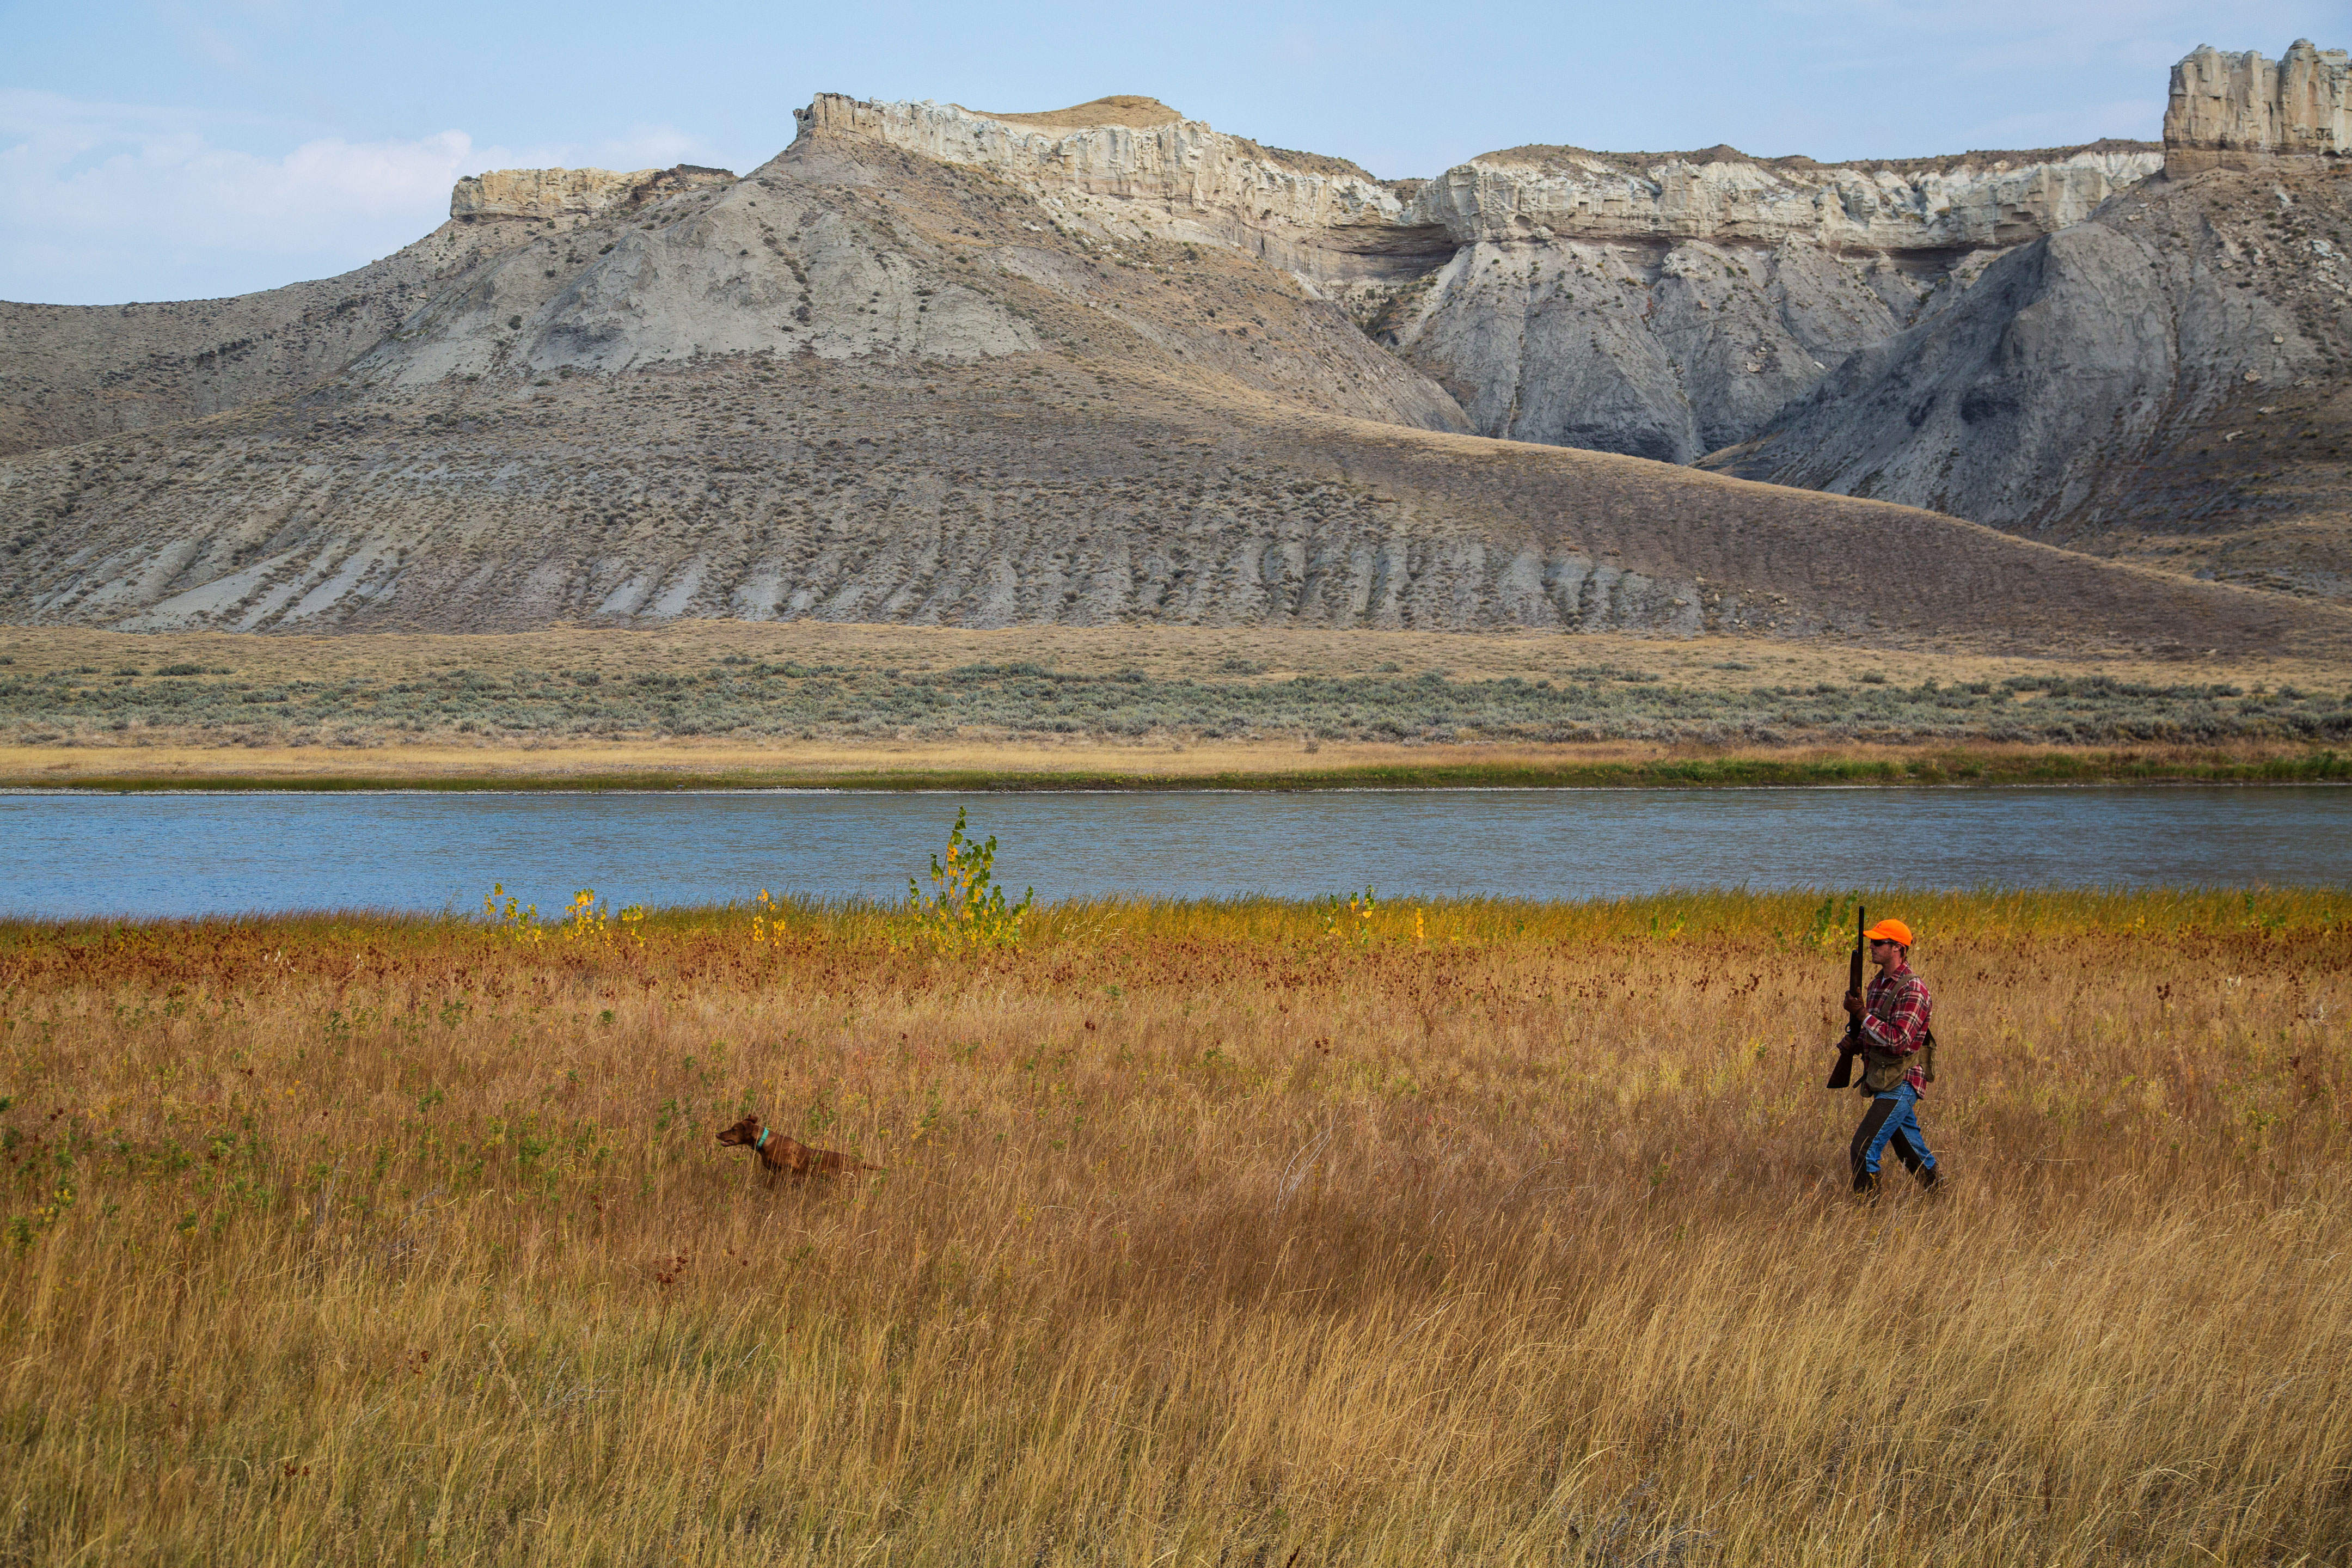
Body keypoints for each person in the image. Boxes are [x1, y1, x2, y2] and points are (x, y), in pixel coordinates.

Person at [1841, 918, 1940, 1196]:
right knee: (1909, 1148)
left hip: (1902, 1080)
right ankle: (1940, 1194)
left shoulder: (1913, 989)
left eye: (1878, 942)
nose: (1871, 946)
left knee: (1863, 1148)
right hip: (1883, 1077)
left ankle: (1867, 1211)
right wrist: (1856, 1043)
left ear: (1898, 948)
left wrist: (1862, 1014)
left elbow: (1899, 1041)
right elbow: (1875, 1033)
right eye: (1871, 941)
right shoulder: (1877, 984)